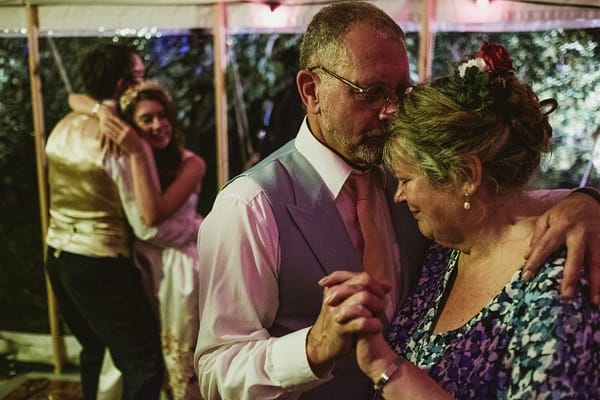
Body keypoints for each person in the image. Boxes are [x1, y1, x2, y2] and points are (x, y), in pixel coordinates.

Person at [194, 2, 600, 399]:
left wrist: (588, 202)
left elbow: (498, 201)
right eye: (370, 93)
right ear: (311, 90)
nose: (391, 111)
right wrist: (312, 349)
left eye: (400, 91)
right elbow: (215, 372)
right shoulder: (249, 206)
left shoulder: (415, 179)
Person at [321, 41, 600, 399]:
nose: (398, 196)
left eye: (406, 180)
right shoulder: (445, 252)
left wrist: (386, 368)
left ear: (467, 175)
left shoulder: (557, 281)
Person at [70, 79, 207, 399]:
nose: (159, 125)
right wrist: (100, 111)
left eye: (163, 116)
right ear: (130, 125)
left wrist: (136, 150)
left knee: (178, 350)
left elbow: (151, 216)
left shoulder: (191, 164)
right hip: (141, 265)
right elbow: (74, 97)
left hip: (180, 270)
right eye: (146, 119)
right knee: (140, 352)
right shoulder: (131, 159)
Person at [45, 43, 164, 400]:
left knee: (94, 349)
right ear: (121, 84)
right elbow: (146, 216)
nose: (143, 85)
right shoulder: (121, 139)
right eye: (140, 78)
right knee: (144, 363)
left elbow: (73, 99)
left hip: (56, 255)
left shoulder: (64, 123)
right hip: (100, 261)